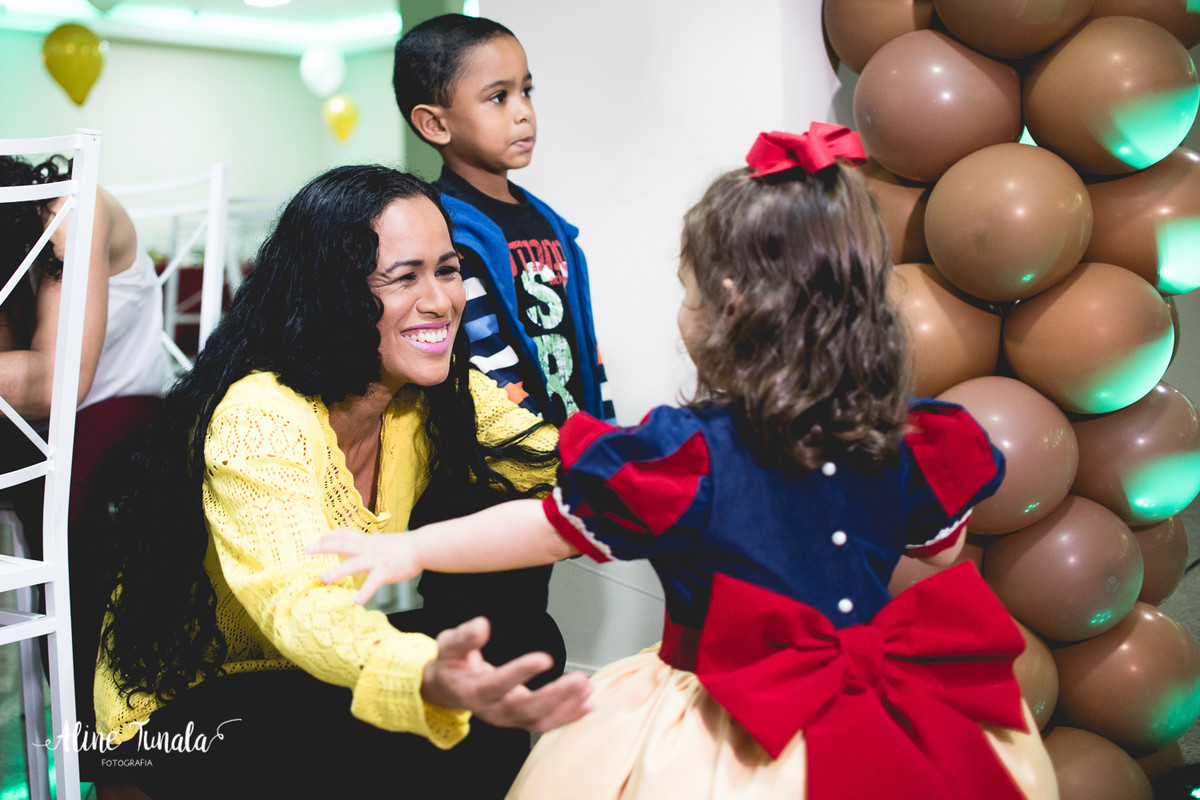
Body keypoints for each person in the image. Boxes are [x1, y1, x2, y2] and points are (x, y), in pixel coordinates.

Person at [311, 126, 1061, 800]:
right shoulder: (909, 443)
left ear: (729, 304)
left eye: (687, 288)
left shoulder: (687, 457)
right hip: (888, 711)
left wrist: (407, 546)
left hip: (720, 726)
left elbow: (544, 529)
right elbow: (941, 548)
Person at [92, 164, 592, 800]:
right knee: (387, 720)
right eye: (404, 277)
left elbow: (560, 462)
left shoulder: (435, 394)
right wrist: (420, 675)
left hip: (301, 677)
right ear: (334, 291)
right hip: (182, 711)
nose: (441, 300)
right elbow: (297, 603)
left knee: (521, 642)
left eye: (447, 268)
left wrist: (688, 467)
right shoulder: (260, 415)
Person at [393, 10, 613, 709]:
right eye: (498, 97)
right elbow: (478, 359)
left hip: (556, 454)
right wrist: (537, 444)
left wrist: (597, 428)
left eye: (527, 91)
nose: (523, 114)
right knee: (482, 622)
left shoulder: (544, 219)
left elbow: (578, 340)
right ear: (435, 124)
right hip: (480, 470)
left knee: (524, 603)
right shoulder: (444, 224)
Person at [0, 154, 174, 746]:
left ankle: (113, 749)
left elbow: (55, 381)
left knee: (64, 498)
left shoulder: (73, 207)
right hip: (27, 425)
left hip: (117, 409)